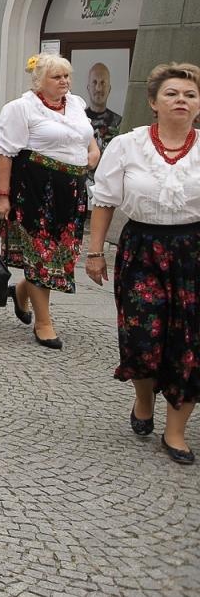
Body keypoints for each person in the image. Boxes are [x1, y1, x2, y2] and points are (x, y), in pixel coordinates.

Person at [86, 62, 200, 465]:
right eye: (172, 93)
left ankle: (175, 432)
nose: (181, 100)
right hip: (142, 249)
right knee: (142, 337)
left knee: (189, 342)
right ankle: (143, 398)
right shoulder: (127, 145)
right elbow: (104, 201)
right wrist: (95, 252)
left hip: (193, 251)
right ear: (153, 102)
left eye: (190, 95)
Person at [0, 53, 100, 350]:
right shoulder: (21, 108)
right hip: (36, 190)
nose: (64, 81)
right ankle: (43, 323)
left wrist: (93, 151)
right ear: (39, 81)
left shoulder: (76, 103)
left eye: (67, 76)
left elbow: (86, 136)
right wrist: (2, 196)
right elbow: (4, 154)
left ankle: (21, 290)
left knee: (59, 256)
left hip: (72, 191)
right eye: (57, 77)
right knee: (42, 255)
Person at [85, 61, 124, 150]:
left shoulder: (119, 124)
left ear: (109, 89)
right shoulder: (77, 121)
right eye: (94, 82)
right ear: (88, 87)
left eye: (103, 83)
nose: (98, 88)